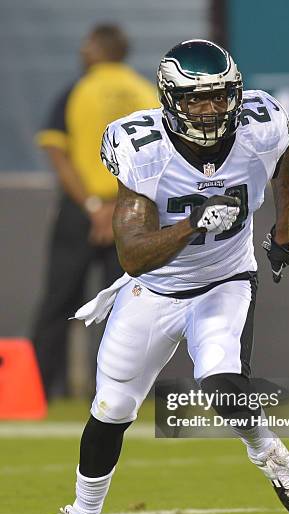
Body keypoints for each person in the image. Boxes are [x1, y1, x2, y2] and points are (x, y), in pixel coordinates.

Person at [32, 39, 289, 514]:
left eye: (220, 96)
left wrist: (284, 227)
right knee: (112, 407)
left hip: (225, 279)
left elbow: (286, 145)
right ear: (170, 101)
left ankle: (271, 454)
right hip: (154, 288)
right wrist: (190, 225)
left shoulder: (261, 123)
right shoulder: (143, 150)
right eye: (195, 99)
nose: (210, 109)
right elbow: (133, 255)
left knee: (220, 384)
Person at [32, 24, 158, 398]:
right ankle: (121, 389)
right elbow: (157, 158)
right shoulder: (144, 91)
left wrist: (92, 206)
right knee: (130, 304)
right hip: (133, 208)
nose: (82, 51)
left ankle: (37, 389)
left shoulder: (78, 90)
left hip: (81, 211)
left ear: (98, 50)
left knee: (59, 299)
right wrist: (119, 206)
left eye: (88, 46)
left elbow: (57, 151)